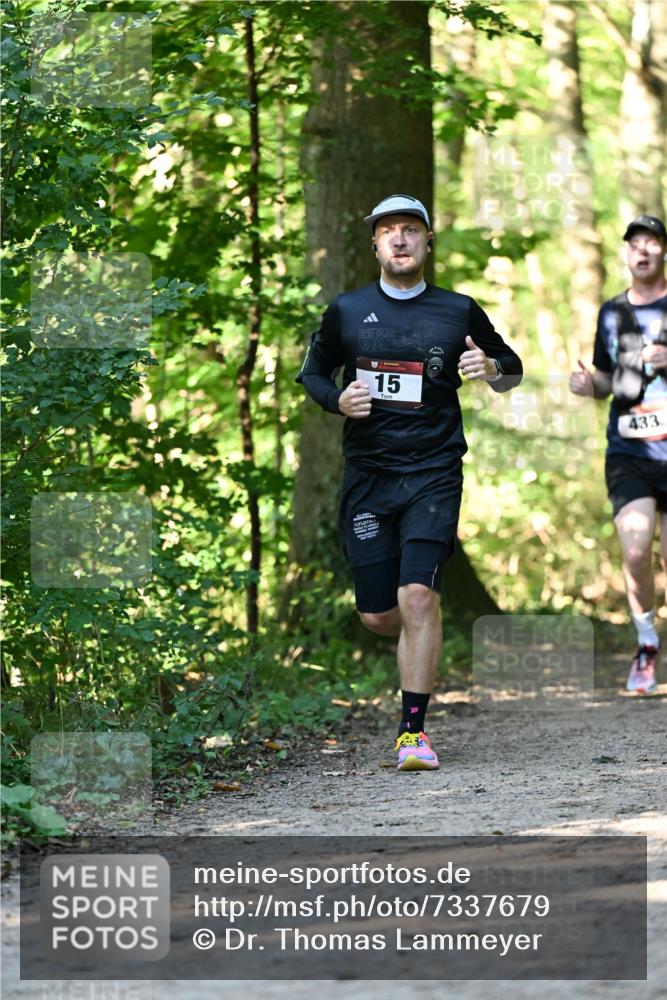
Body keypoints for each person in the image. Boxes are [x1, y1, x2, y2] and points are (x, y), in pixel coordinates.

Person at [296, 194, 523, 770]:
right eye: (388, 231)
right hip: (369, 476)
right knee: (380, 614)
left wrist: (490, 369)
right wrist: (336, 399)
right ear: (374, 244)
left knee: (417, 595)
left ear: (427, 242)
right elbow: (312, 374)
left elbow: (511, 367)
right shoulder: (346, 310)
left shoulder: (458, 310)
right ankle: (419, 627)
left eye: (411, 230)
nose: (399, 240)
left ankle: (412, 734)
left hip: (434, 472)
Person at [570, 214, 667, 694]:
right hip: (630, 450)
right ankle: (647, 643)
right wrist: (589, 385)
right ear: (626, 254)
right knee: (634, 548)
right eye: (635, 244)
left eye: (652, 242)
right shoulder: (612, 313)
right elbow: (610, 379)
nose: (643, 251)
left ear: (663, 251)